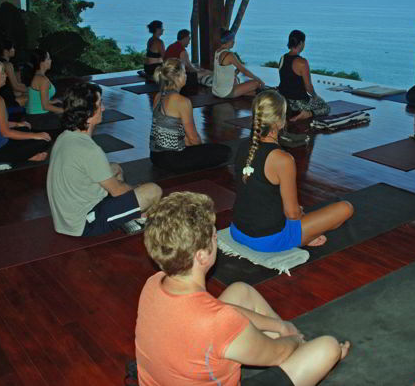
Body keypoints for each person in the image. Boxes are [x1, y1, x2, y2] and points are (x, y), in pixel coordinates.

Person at [135, 191, 350, 386]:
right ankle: (307, 352)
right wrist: (294, 338)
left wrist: (279, 326)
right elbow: (276, 353)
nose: (216, 239)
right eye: (213, 236)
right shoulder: (217, 322)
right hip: (228, 335)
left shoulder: (154, 282)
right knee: (327, 348)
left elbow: (221, 316)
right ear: (201, 255)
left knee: (241, 290)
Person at [231, 90, 353, 251]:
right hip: (266, 240)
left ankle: (304, 235)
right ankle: (303, 237)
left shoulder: (242, 146)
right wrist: (301, 218)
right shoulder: (283, 159)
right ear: (281, 122)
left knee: (296, 211)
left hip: (237, 231)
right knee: (345, 208)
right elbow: (292, 214)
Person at [46, 82, 162, 237]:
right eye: (99, 104)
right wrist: (138, 191)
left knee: (114, 168)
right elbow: (118, 192)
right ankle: (137, 218)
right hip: (84, 224)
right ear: (88, 113)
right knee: (153, 191)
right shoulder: (90, 150)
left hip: (67, 219)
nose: (104, 108)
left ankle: (131, 217)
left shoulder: (65, 137)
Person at [149, 59, 232, 174]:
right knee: (225, 152)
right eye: (184, 72)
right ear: (177, 77)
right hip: (172, 160)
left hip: (155, 157)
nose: (186, 75)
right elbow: (193, 138)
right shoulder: (182, 101)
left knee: (199, 147)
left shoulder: (158, 96)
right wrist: (202, 150)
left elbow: (172, 131)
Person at [0, 59, 50, 162]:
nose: (6, 75)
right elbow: (6, 133)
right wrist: (36, 136)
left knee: (25, 129)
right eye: (2, 72)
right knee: (44, 141)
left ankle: (25, 155)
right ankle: (27, 157)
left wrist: (18, 125)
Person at [277, 30, 330, 122]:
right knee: (326, 107)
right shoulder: (302, 62)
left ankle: (299, 112)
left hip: (283, 99)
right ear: (301, 43)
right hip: (298, 103)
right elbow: (308, 87)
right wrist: (315, 96)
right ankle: (307, 114)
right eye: (304, 42)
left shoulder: (282, 58)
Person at [212, 30, 264, 98]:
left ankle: (247, 93)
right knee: (256, 83)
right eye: (232, 40)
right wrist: (259, 80)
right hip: (225, 92)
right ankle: (249, 92)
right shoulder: (229, 55)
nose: (234, 42)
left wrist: (236, 71)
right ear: (228, 41)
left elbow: (223, 71)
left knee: (237, 79)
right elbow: (244, 71)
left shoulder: (217, 51)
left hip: (216, 91)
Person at [26, 50, 63, 128]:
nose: (51, 60)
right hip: (38, 118)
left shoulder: (39, 75)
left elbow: (39, 98)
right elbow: (45, 106)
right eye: (48, 58)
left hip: (35, 116)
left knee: (60, 106)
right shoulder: (42, 80)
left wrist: (52, 101)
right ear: (42, 62)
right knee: (72, 119)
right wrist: (66, 111)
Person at [0, 40, 27, 107]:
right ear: (6, 51)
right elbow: (15, 86)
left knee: (21, 93)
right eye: (12, 48)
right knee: (32, 97)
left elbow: (17, 84)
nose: (14, 50)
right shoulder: (7, 64)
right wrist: (33, 90)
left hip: (1, 94)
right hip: (5, 97)